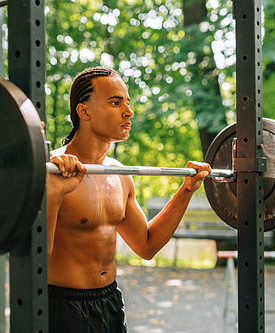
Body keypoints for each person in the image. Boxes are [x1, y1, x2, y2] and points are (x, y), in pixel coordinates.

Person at [47, 67, 211, 333]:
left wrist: (187, 190)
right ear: (83, 111)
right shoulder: (52, 171)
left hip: (110, 303)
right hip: (62, 307)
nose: (128, 111)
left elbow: (146, 246)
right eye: (115, 102)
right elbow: (33, 260)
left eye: (127, 102)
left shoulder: (120, 175)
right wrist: (54, 194)